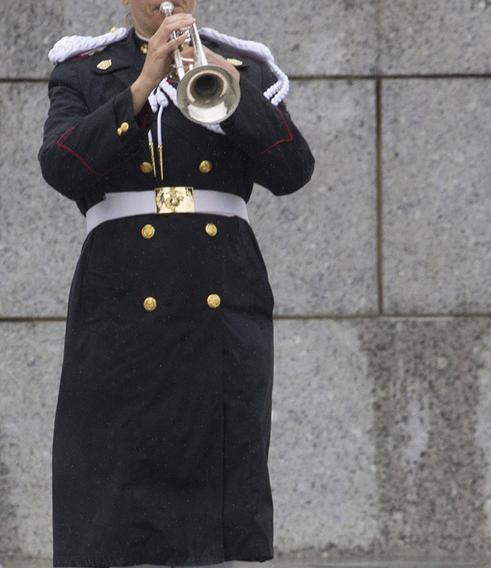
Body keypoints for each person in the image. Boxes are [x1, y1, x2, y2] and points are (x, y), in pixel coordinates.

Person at [37, 0, 315, 566]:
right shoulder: (83, 68)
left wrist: (235, 94)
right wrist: (141, 86)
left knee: (215, 470)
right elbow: (61, 166)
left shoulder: (242, 64)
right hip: (119, 296)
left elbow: (292, 171)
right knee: (113, 478)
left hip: (218, 291)